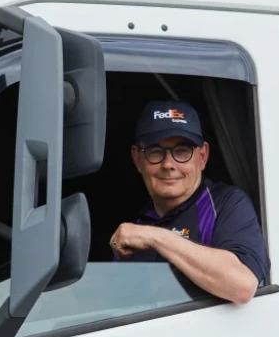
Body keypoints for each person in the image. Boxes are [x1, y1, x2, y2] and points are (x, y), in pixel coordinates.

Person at [109, 101, 269, 304]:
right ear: (137, 159)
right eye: (155, 152)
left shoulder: (226, 204)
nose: (168, 164)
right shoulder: (139, 223)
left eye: (182, 151)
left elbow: (242, 286)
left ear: (202, 157)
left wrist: (155, 238)